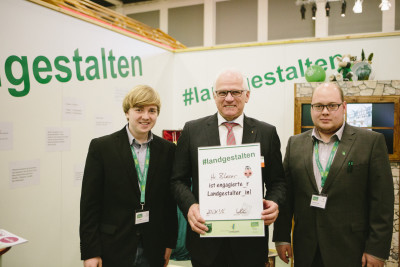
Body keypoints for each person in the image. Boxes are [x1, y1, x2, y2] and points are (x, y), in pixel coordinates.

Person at [170, 69, 286, 267]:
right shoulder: (192, 130)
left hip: (250, 244)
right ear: (214, 96)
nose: (229, 98)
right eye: (222, 93)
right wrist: (190, 206)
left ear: (247, 95)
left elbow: (278, 182)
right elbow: (177, 180)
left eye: (236, 92)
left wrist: (275, 202)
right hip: (205, 241)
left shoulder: (266, 132)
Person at [273, 83, 394, 267]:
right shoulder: (295, 144)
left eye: (332, 105)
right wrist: (282, 238)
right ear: (312, 108)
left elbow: (382, 202)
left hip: (351, 250)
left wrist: (376, 250)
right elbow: (286, 196)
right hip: (307, 249)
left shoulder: (370, 142)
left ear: (343, 107)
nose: (325, 112)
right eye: (319, 106)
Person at [80, 85, 178, 267]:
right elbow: (89, 206)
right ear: (127, 112)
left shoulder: (168, 150)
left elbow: (169, 204)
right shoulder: (102, 148)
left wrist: (169, 243)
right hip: (113, 247)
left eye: (152, 111)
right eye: (139, 110)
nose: (146, 116)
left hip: (153, 248)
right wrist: (90, 252)